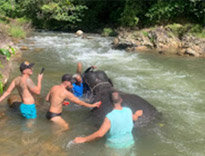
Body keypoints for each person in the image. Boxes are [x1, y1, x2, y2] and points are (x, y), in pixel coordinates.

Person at [73, 91, 143, 149]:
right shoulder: (128, 111)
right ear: (121, 100)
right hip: (129, 144)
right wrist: (137, 114)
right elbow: (134, 118)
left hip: (115, 147)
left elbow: (100, 134)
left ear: (110, 102)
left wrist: (83, 139)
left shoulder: (110, 117)